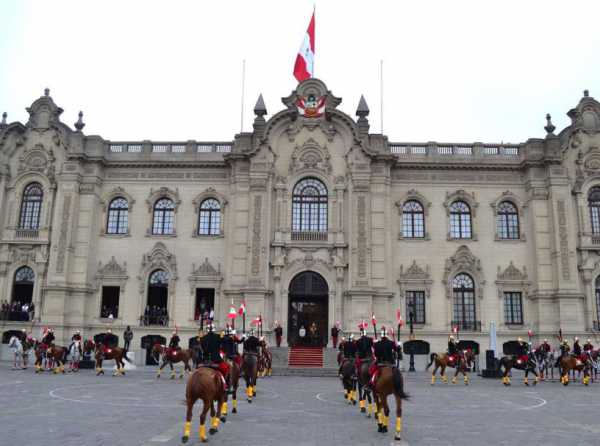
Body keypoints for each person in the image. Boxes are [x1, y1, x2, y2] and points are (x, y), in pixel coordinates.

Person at [200, 324, 229, 389]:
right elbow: (225, 341)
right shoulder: (218, 336)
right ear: (214, 329)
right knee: (226, 368)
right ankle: (226, 384)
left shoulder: (202, 338)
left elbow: (202, 347)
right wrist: (223, 333)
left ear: (207, 330)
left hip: (205, 360)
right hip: (216, 359)